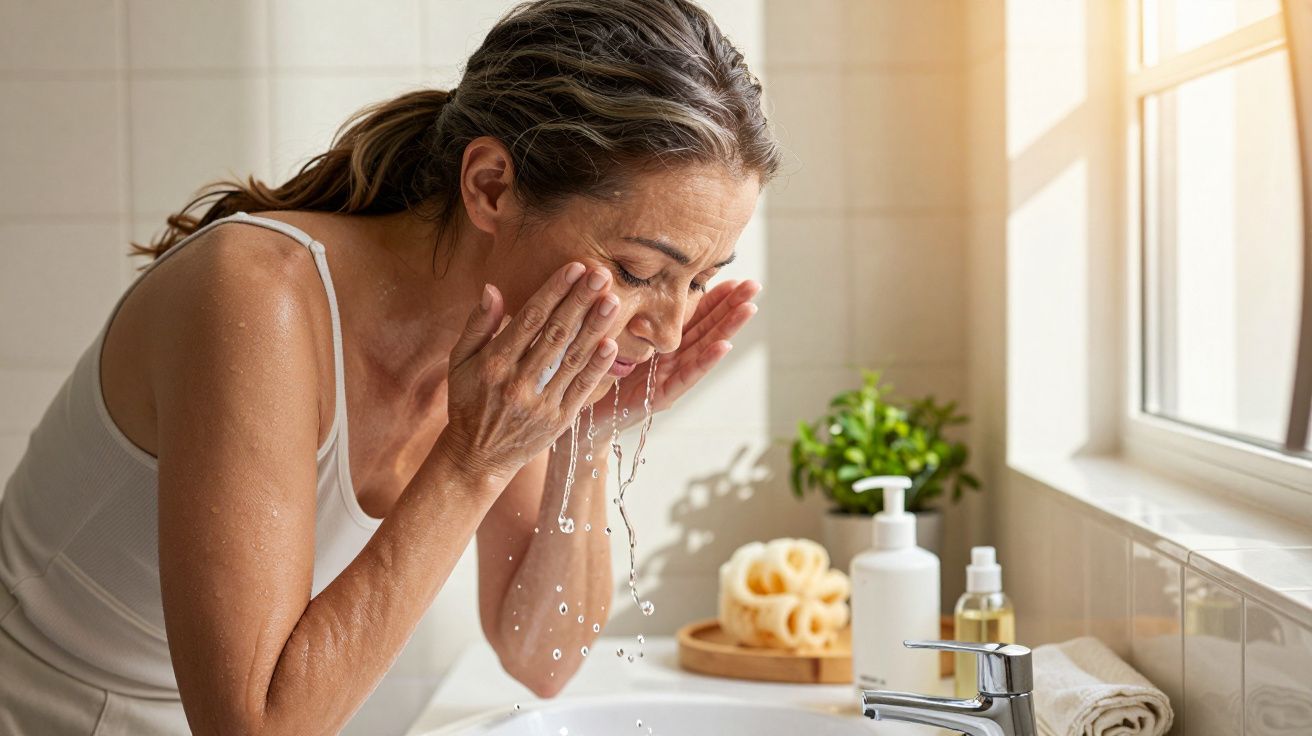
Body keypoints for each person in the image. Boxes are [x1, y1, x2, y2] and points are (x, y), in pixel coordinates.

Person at [0, 0, 781, 733]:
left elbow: (540, 660)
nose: (672, 330)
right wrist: (472, 463)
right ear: (491, 187)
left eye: (701, 279)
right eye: (641, 270)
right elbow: (254, 728)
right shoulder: (256, 297)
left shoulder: (505, 347)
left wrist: (586, 437)